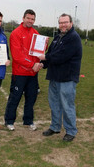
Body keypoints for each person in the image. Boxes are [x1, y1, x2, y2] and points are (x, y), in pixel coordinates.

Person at [39, 13, 82, 142]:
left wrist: (45, 58)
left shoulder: (74, 38)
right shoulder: (58, 37)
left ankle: (71, 131)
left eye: (65, 22)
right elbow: (51, 53)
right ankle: (55, 127)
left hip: (67, 78)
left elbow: (62, 56)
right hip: (55, 77)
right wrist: (42, 63)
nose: (62, 25)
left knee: (67, 105)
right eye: (60, 22)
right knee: (55, 104)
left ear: (71, 23)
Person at [4, 9, 43, 131]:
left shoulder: (36, 33)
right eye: (28, 18)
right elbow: (17, 55)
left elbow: (39, 52)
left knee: (31, 98)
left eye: (32, 19)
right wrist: (32, 64)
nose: (30, 21)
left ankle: (28, 121)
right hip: (20, 73)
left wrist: (39, 62)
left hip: (32, 73)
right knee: (15, 97)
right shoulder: (16, 33)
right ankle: (9, 121)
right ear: (23, 18)